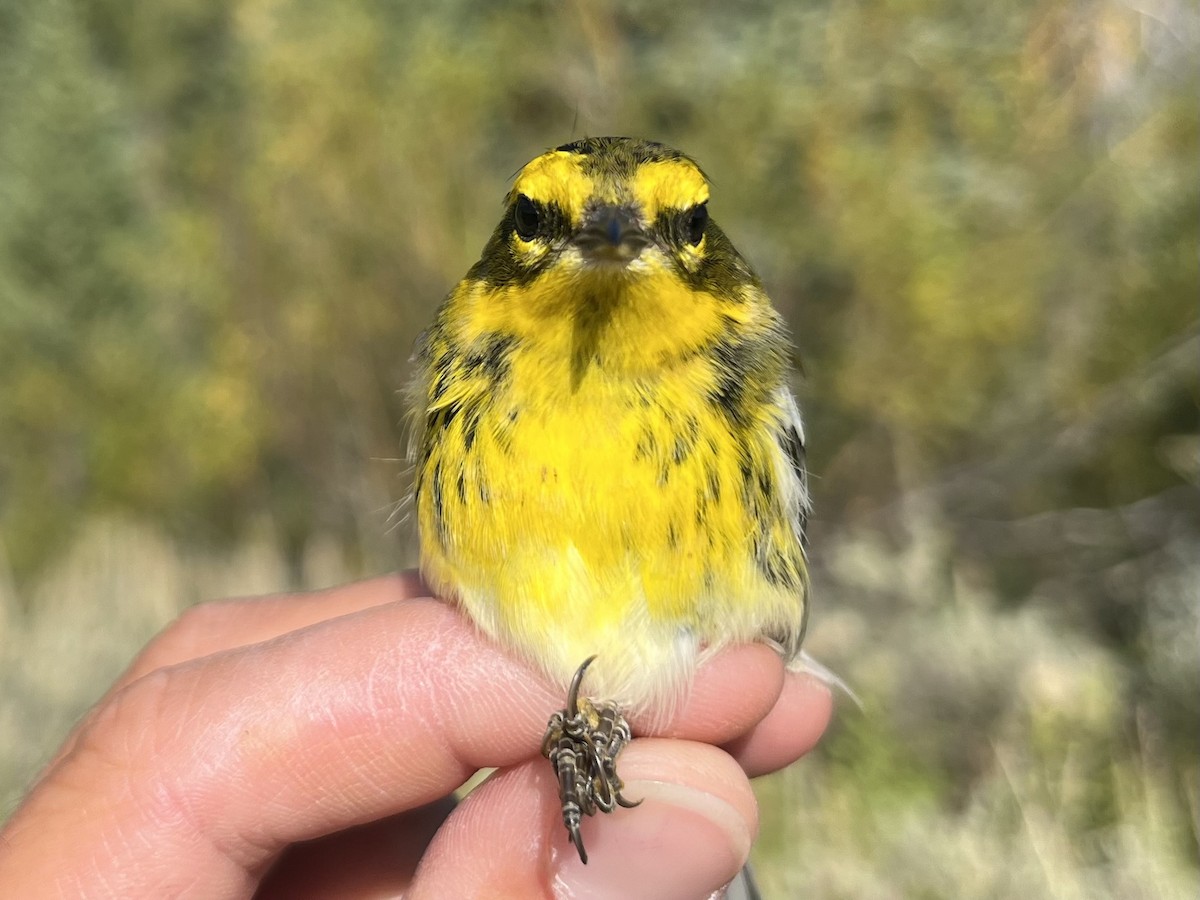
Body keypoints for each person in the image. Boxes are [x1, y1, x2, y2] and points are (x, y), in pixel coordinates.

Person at [0, 573, 832, 898]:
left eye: (677, 227)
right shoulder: (469, 366)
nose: (610, 247)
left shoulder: (735, 365)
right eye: (542, 223)